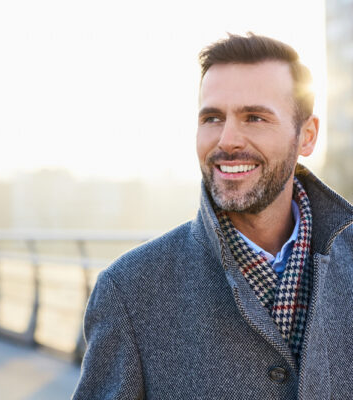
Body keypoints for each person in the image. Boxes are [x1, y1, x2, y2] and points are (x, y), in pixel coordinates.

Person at [72, 33, 353, 400]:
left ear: (307, 136)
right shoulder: (129, 292)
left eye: (254, 117)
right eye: (213, 118)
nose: (227, 140)